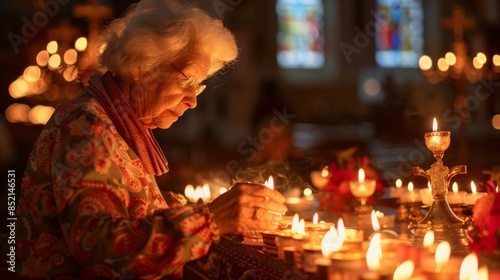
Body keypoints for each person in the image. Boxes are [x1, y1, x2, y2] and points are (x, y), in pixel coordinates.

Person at [15, 0, 287, 279]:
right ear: (139, 66)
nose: (193, 100)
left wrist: (169, 207)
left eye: (199, 85)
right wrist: (212, 219)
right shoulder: (86, 125)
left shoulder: (117, 124)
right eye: (187, 81)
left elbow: (121, 207)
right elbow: (98, 247)